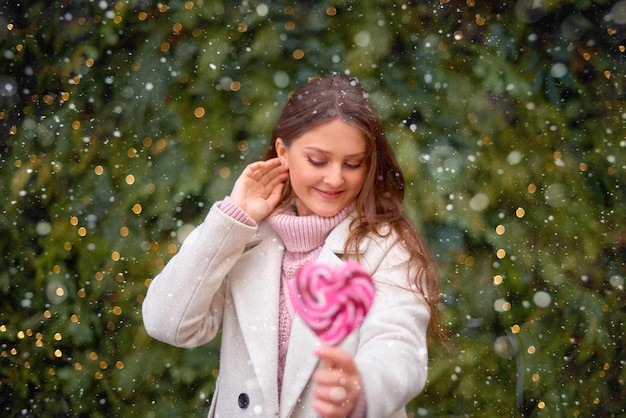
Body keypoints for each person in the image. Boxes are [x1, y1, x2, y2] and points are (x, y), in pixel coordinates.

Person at [142, 73, 442, 418]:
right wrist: (231, 221)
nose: (335, 179)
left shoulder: (386, 247)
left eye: (353, 164)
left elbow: (399, 346)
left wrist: (363, 387)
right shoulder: (245, 236)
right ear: (283, 152)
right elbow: (168, 323)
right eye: (318, 160)